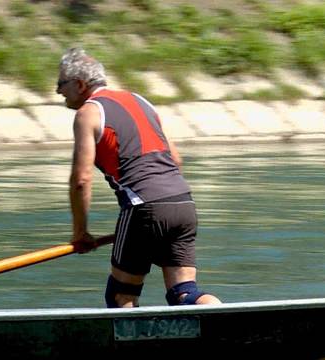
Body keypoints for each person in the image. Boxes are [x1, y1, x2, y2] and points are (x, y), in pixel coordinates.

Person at [58, 47, 221, 308]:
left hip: (142, 206)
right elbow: (176, 160)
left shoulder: (88, 113)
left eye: (60, 83)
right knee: (184, 294)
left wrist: (80, 233)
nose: (58, 91)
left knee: (122, 295)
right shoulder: (140, 100)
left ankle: (132, 349)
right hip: (183, 204)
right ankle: (220, 317)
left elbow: (81, 179)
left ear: (79, 84)